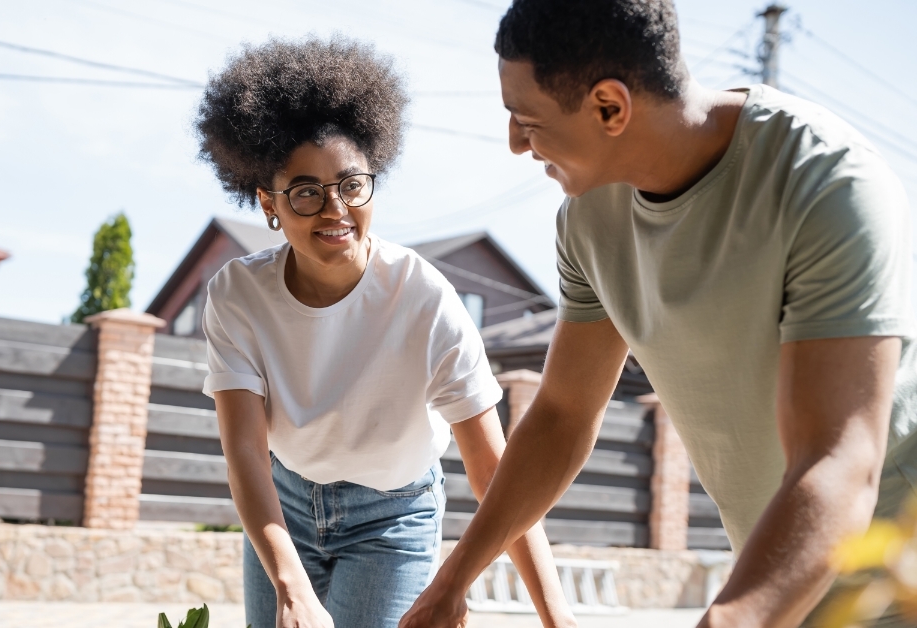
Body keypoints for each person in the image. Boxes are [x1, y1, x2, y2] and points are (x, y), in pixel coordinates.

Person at [400, 1, 916, 626]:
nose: (514, 143)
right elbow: (562, 415)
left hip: (894, 573)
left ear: (610, 107)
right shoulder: (590, 219)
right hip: (777, 573)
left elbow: (839, 460)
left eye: (525, 119)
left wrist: (729, 619)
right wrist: (452, 582)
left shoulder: (826, 183)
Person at [192, 37, 577, 628]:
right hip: (283, 508)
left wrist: (558, 619)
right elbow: (245, 452)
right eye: (305, 192)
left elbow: (494, 470)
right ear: (268, 204)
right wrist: (289, 586)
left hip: (392, 518)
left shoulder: (423, 299)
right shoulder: (238, 295)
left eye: (350, 184)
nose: (334, 209)